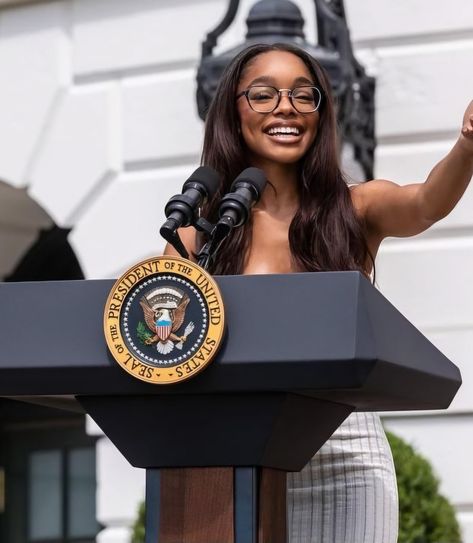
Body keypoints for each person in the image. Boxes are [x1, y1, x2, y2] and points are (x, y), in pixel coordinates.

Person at [165, 43, 473, 542]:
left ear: (320, 113)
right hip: (235, 452)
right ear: (232, 111)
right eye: (264, 95)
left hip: (344, 455)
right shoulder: (202, 234)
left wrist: (466, 144)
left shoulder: (354, 208)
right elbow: (156, 324)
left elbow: (425, 204)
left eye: (303, 95)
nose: (285, 107)